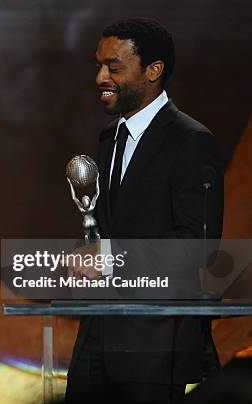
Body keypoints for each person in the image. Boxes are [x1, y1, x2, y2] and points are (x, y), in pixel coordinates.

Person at [66, 18, 223, 404]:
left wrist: (109, 255)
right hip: (96, 336)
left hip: (155, 342)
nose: (101, 76)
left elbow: (198, 246)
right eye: (99, 65)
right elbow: (110, 227)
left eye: (114, 67)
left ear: (154, 71)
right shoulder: (110, 138)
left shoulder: (191, 141)